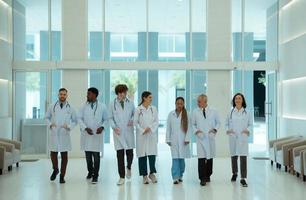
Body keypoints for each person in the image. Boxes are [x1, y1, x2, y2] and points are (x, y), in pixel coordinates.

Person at [45, 88, 77, 184]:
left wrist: (69, 126)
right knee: (53, 154)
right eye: (61, 94)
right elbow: (46, 117)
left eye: (64, 94)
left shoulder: (71, 108)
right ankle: (55, 169)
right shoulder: (52, 106)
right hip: (54, 133)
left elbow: (75, 120)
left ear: (67, 95)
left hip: (64, 133)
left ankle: (62, 176)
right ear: (58, 95)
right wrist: (50, 124)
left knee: (64, 156)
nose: (62, 96)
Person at [78, 87, 108, 184]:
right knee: (88, 157)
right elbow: (79, 118)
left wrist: (102, 127)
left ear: (95, 95)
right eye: (87, 94)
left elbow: (106, 119)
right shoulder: (83, 106)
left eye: (89, 94)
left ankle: (96, 175)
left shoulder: (102, 106)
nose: (87, 95)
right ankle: (90, 171)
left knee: (96, 156)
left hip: (96, 134)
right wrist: (85, 128)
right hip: (87, 134)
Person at [109, 84, 135, 185]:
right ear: (117, 93)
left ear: (126, 92)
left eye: (123, 92)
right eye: (120, 93)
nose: (122, 94)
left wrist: (132, 120)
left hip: (128, 131)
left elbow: (135, 114)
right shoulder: (112, 104)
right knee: (120, 155)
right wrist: (114, 127)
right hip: (118, 132)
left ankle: (128, 167)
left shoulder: (131, 103)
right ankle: (121, 177)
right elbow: (110, 117)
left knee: (130, 154)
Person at [192, 94, 220, 186]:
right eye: (198, 101)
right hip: (200, 137)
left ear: (205, 101)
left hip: (210, 137)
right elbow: (193, 124)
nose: (198, 103)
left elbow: (218, 123)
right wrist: (196, 131)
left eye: (199, 101)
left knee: (209, 157)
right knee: (201, 158)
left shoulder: (214, 111)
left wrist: (214, 130)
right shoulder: (195, 111)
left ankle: (208, 175)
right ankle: (202, 178)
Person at [225, 93, 253, 187]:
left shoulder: (247, 112)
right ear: (234, 100)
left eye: (239, 98)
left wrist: (247, 130)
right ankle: (234, 173)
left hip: (242, 137)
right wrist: (228, 130)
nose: (237, 100)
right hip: (233, 137)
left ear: (242, 100)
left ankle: (243, 178)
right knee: (233, 156)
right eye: (236, 98)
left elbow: (250, 124)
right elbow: (226, 124)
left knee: (243, 157)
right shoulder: (230, 112)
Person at [133, 91, 159, 184]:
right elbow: (135, 122)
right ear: (144, 98)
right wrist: (142, 130)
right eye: (149, 97)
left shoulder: (153, 109)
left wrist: (150, 128)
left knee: (152, 155)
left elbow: (156, 121)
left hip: (151, 135)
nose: (151, 99)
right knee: (142, 155)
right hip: (142, 135)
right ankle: (144, 175)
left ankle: (152, 173)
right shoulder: (138, 109)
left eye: (151, 98)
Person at [166, 97, 191, 184]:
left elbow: (189, 127)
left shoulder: (187, 114)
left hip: (183, 139)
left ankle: (181, 175)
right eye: (178, 103)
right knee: (175, 158)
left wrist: (187, 138)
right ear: (175, 104)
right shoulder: (171, 114)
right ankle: (175, 177)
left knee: (181, 160)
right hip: (173, 140)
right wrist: (168, 139)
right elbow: (168, 128)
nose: (179, 105)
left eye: (181, 103)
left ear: (183, 104)